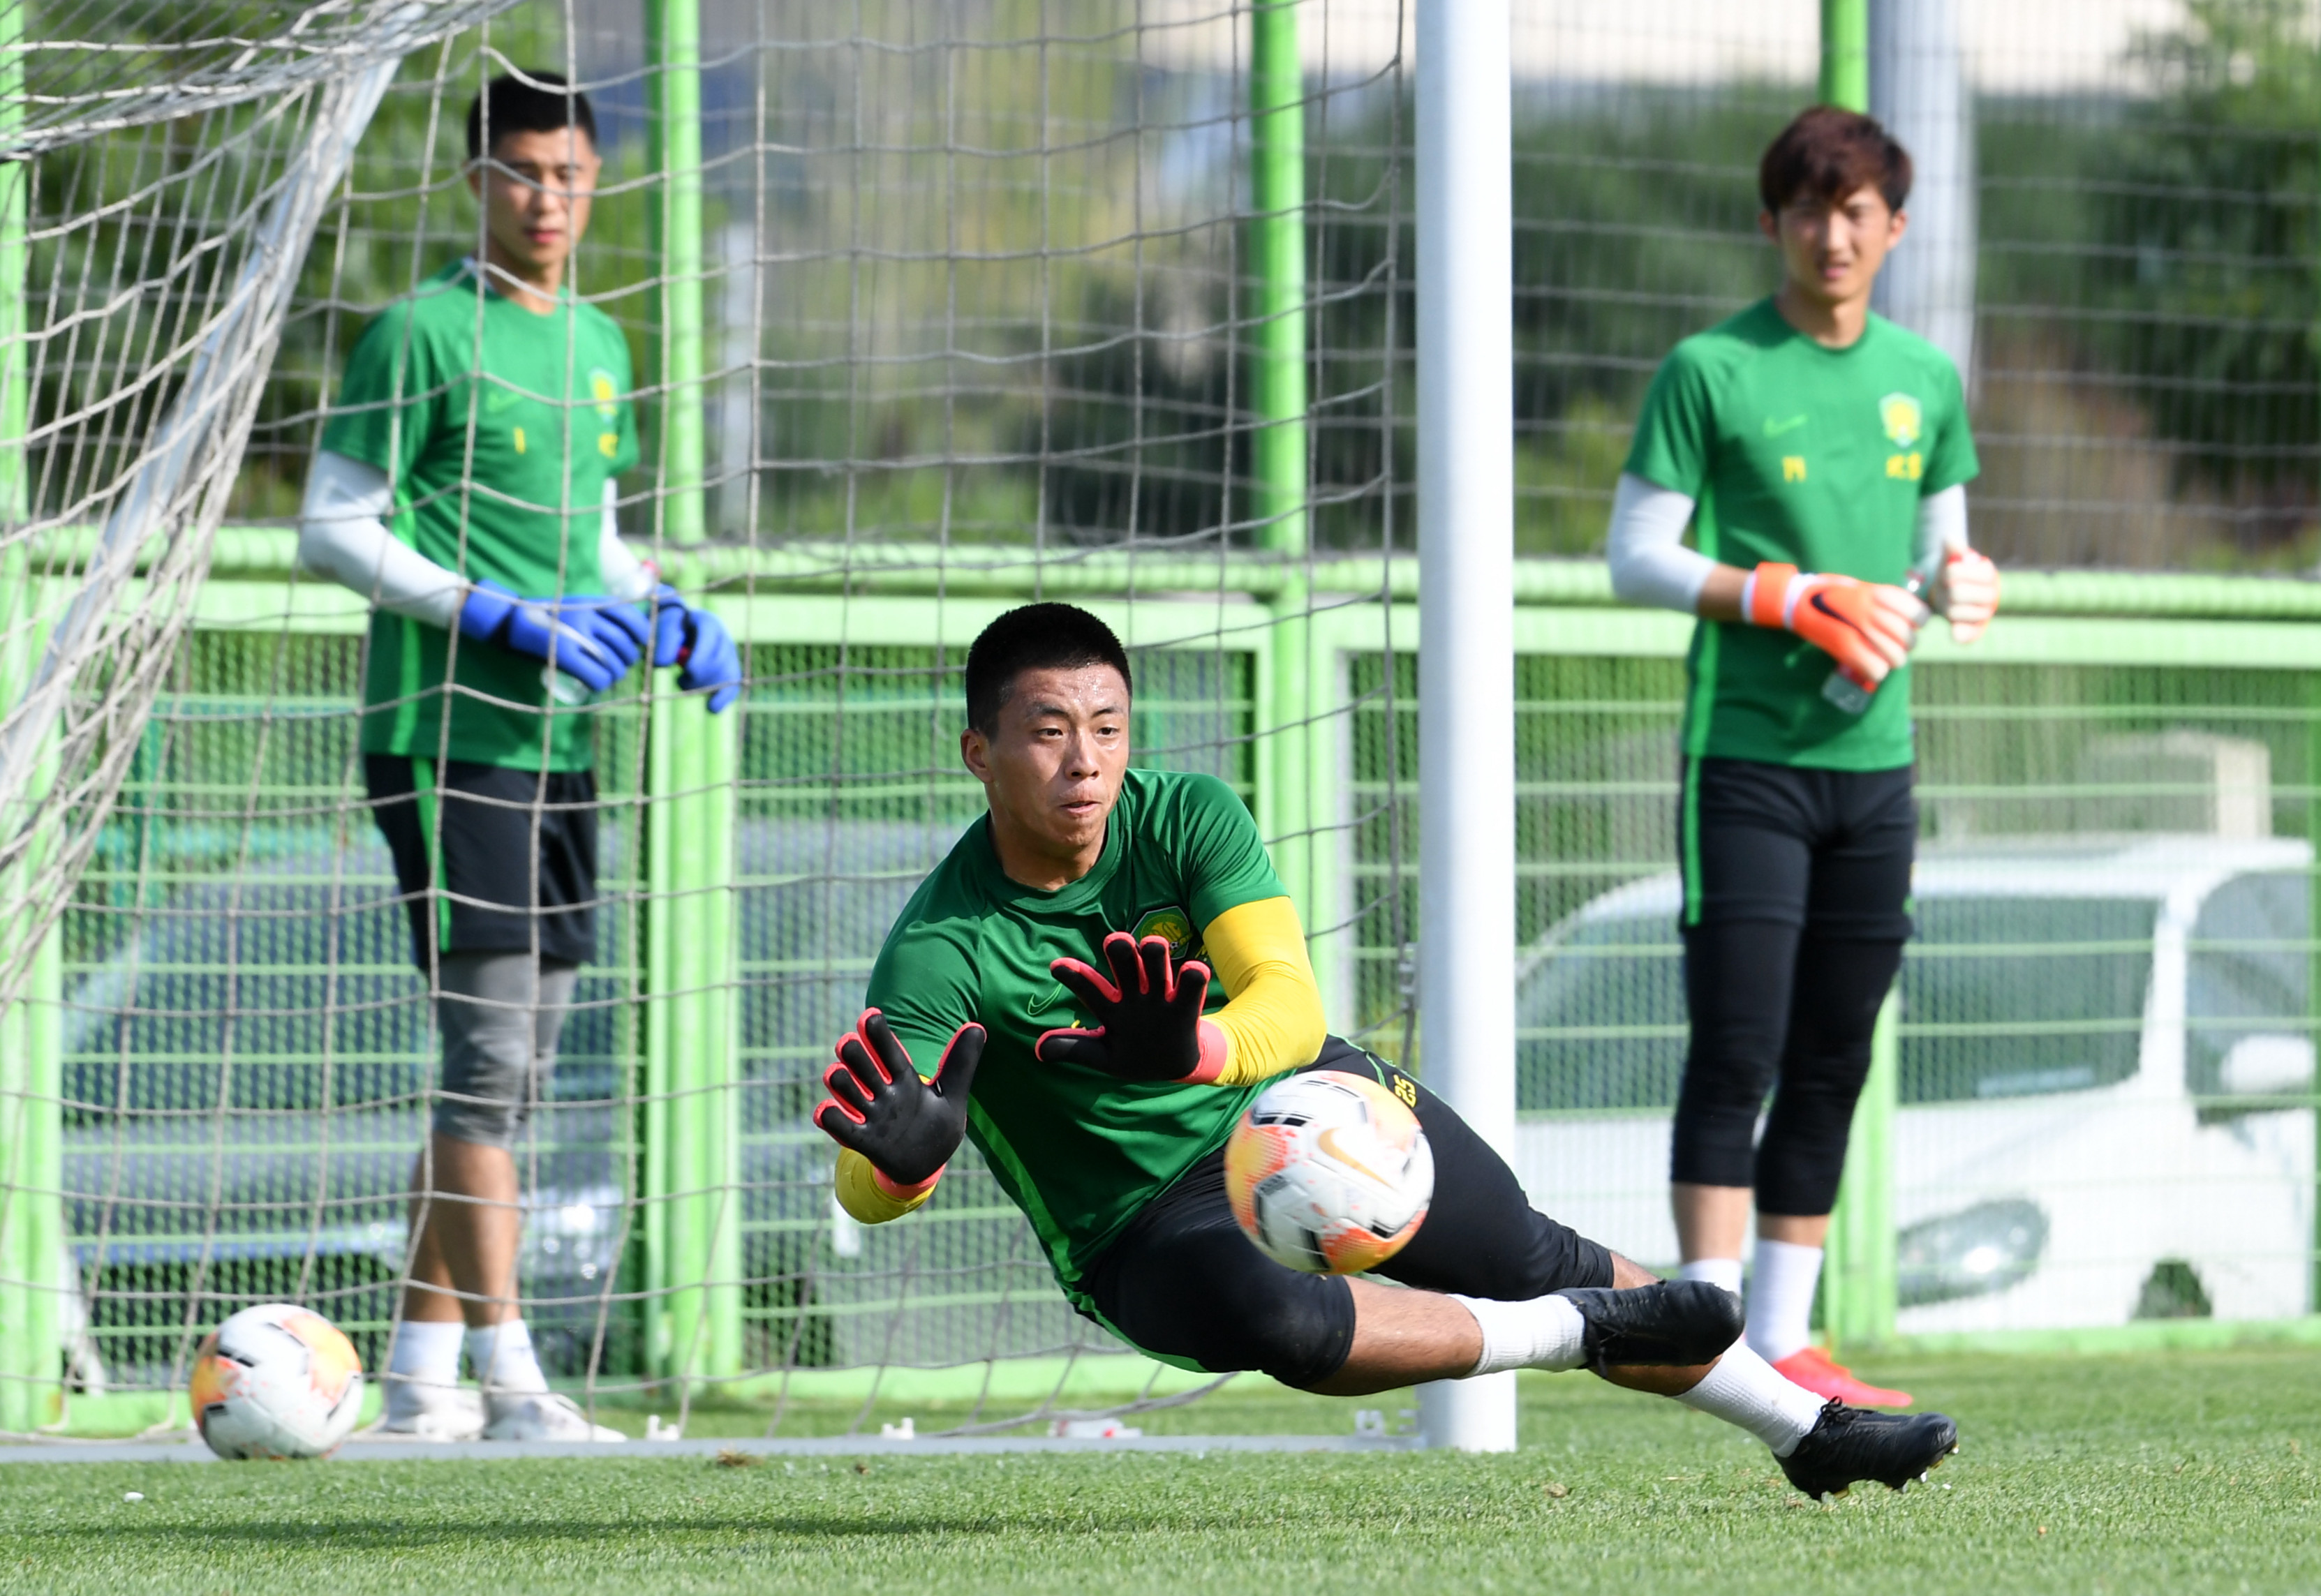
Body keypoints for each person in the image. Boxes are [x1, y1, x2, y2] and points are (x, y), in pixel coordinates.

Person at [813, 602, 1959, 1498]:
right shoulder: (937, 952)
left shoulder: (1189, 815)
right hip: (1134, 1225)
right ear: (978, 750)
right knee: (1280, 1324)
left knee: (1526, 1247)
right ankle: (1569, 1336)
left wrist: (1196, 1052)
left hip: (1299, 1097)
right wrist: (904, 1163)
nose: (1084, 762)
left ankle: (1806, 1430)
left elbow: (1292, 1006)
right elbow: (865, 1183)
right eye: (1047, 732)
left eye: (1106, 728)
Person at [297, 70, 741, 1441]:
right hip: (445, 736)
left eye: (572, 177)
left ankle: (421, 1370)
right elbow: (332, 525)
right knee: (487, 1056)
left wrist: (661, 600)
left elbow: (591, 535)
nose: (550, 200)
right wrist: (487, 614)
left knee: (521, 1063)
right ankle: (515, 1382)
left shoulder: (601, 345)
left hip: (558, 743)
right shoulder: (419, 334)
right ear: (478, 179)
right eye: (525, 173)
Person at [1606, 107, 2001, 1407]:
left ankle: (1785, 1334)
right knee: (1738, 1044)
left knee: (1836, 1049)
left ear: (1893, 227)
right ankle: (1704, 1333)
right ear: (1770, 221)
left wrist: (1964, 581)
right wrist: (1790, 595)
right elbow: (1636, 558)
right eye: (1807, 210)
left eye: (1857, 212)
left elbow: (1942, 552)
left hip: (1873, 766)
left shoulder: (1923, 378)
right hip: (1748, 761)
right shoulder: (1711, 369)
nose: (1832, 234)